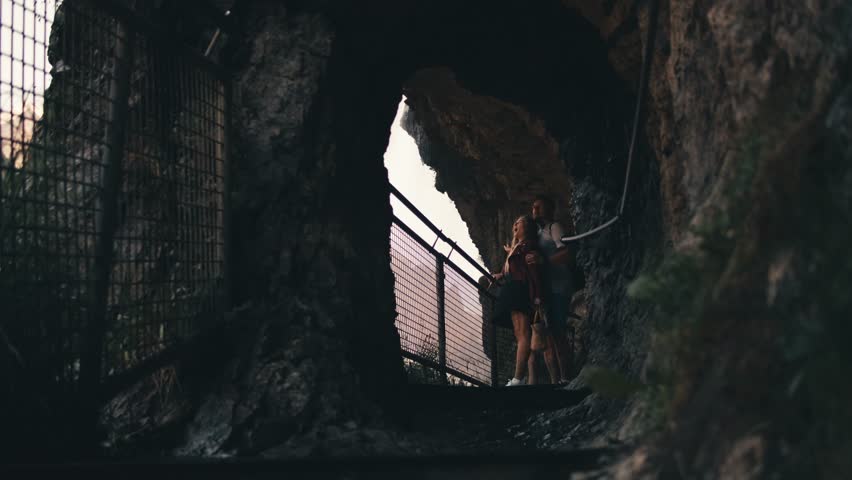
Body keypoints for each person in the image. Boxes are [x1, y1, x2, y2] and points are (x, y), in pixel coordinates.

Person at [490, 215, 546, 387]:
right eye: (514, 222)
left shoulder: (527, 247)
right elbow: (513, 270)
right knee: (522, 335)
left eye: (519, 223)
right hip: (515, 289)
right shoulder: (518, 248)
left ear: (527, 228)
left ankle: (518, 379)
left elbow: (533, 273)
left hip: (519, 291)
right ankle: (528, 379)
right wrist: (500, 275)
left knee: (522, 335)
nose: (514, 225)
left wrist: (537, 298)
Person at [528, 194, 575, 385]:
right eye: (533, 207)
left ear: (549, 209)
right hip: (546, 290)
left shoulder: (553, 228)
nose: (534, 210)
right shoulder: (537, 234)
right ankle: (557, 380)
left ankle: (566, 378)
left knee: (558, 332)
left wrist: (544, 261)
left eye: (539, 206)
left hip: (559, 287)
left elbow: (566, 253)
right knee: (549, 335)